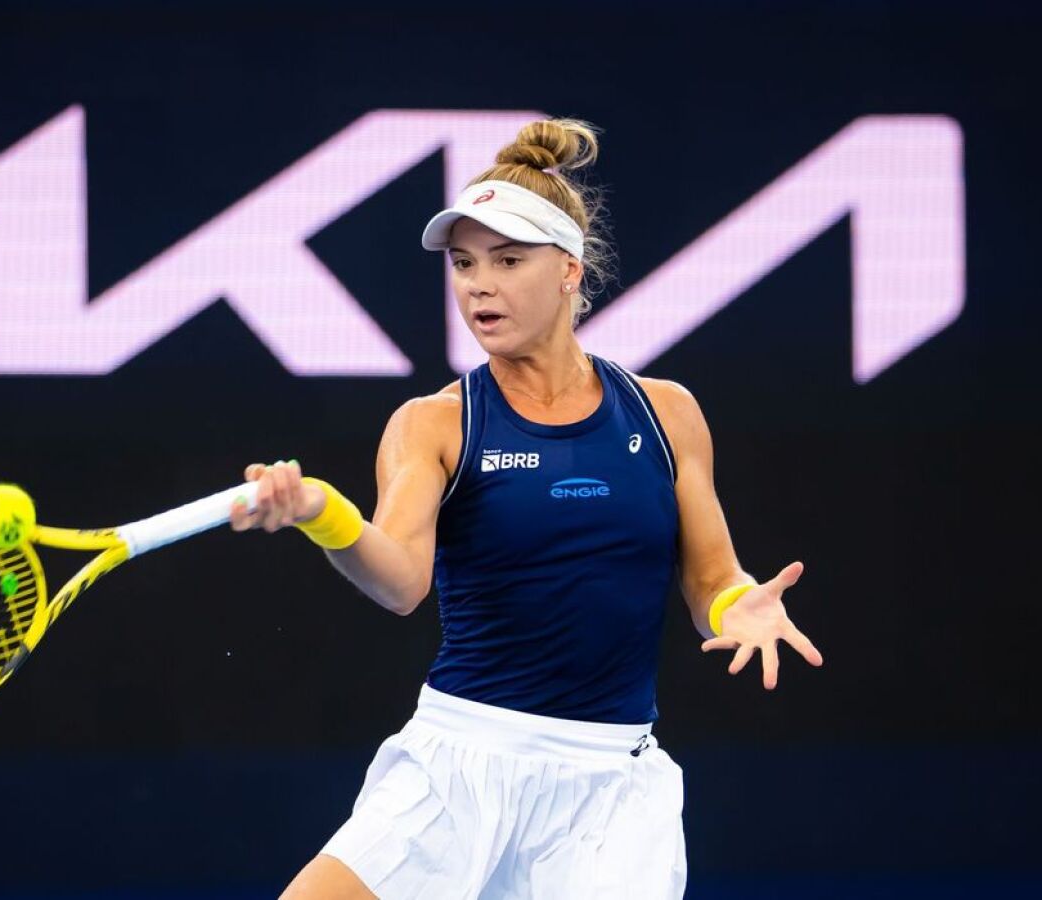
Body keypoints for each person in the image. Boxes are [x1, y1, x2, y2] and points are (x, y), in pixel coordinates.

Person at [231, 118, 824, 900]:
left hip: (610, 789)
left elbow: (712, 576)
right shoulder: (434, 423)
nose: (479, 283)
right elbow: (400, 581)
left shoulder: (666, 414)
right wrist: (320, 512)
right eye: (464, 263)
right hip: (457, 766)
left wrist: (738, 605)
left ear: (569, 271)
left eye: (508, 261)